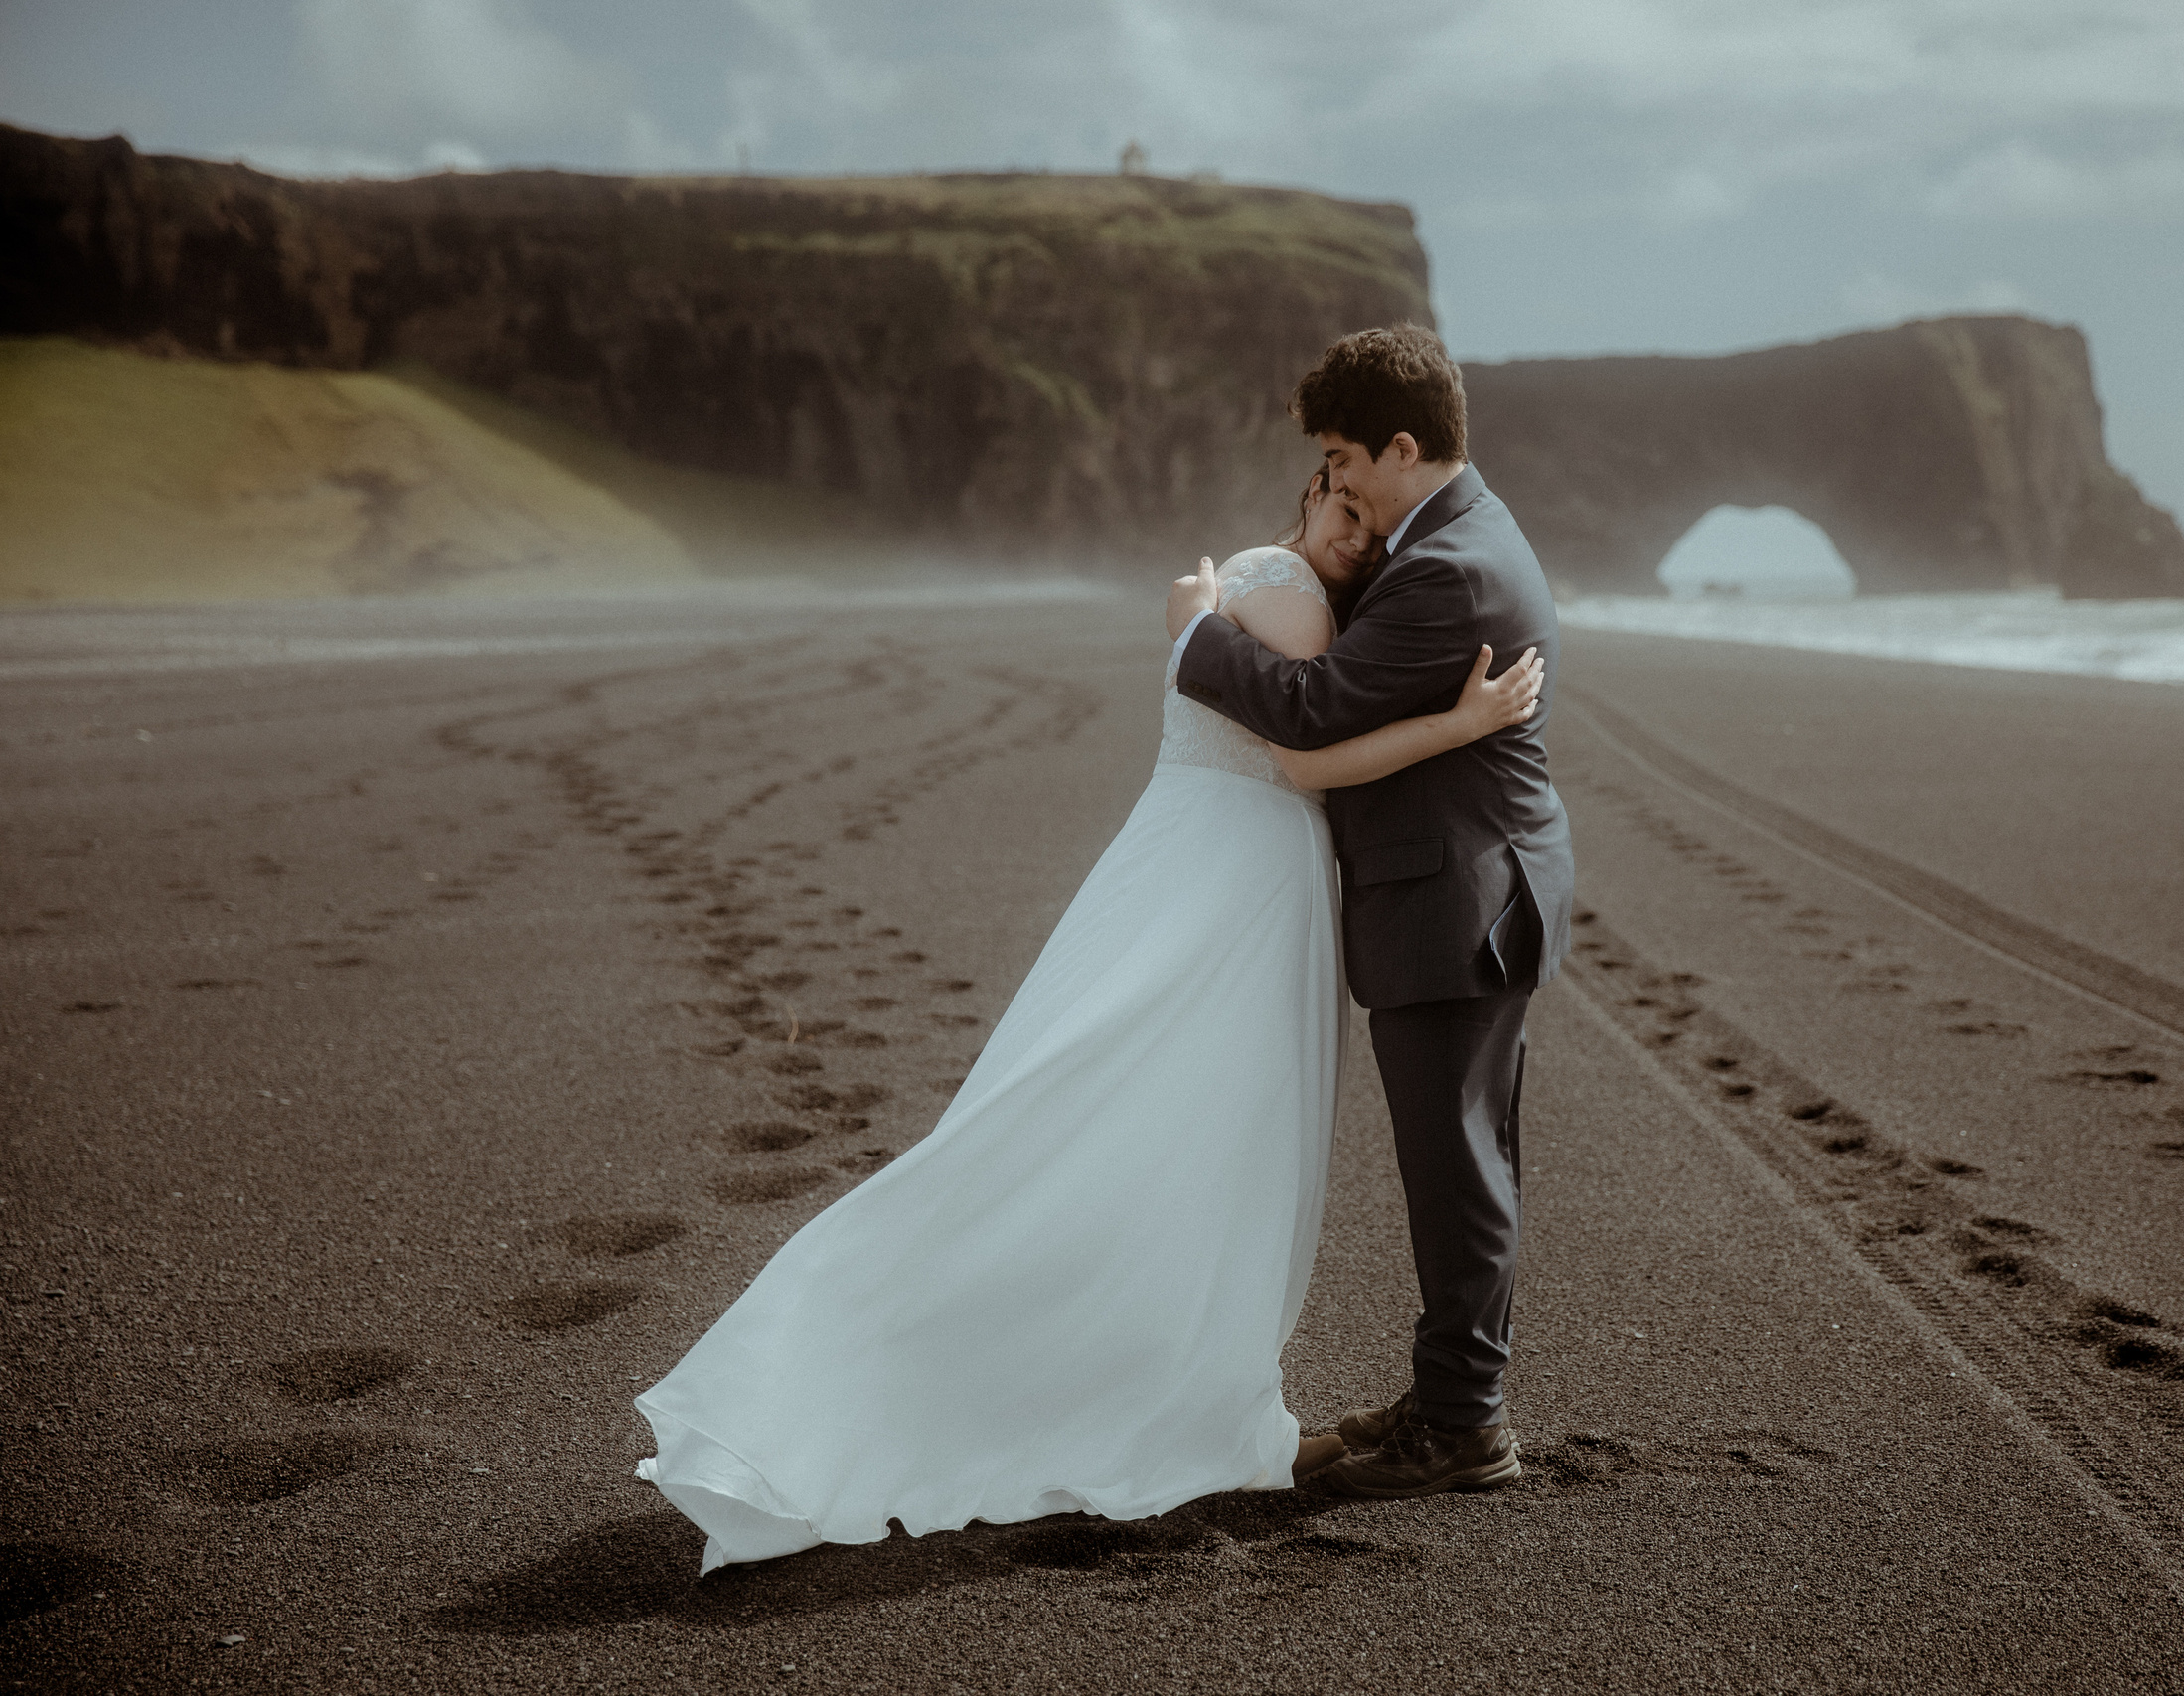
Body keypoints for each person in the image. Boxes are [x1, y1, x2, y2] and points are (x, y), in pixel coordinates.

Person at [632, 465, 1544, 1574]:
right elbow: (1304, 752)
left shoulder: (1252, 589)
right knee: (1198, 1140)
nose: (1354, 538)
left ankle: (1152, 1387)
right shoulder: (1286, 590)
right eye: (1340, 509)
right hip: (1233, 882)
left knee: (1143, 1123)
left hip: (1191, 860)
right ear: (1307, 492)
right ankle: (1151, 1399)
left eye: (1367, 521)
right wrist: (1464, 723)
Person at [1168, 322, 1572, 1499]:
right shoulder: (1453, 536)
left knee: (1458, 1172)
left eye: (1345, 454)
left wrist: (1197, 634)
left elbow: (1312, 710)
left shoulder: (1448, 566)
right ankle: (1452, 1400)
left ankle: (1461, 1428)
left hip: (1456, 905)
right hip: (1473, 892)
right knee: (1467, 1164)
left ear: (1402, 446)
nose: (1334, 478)